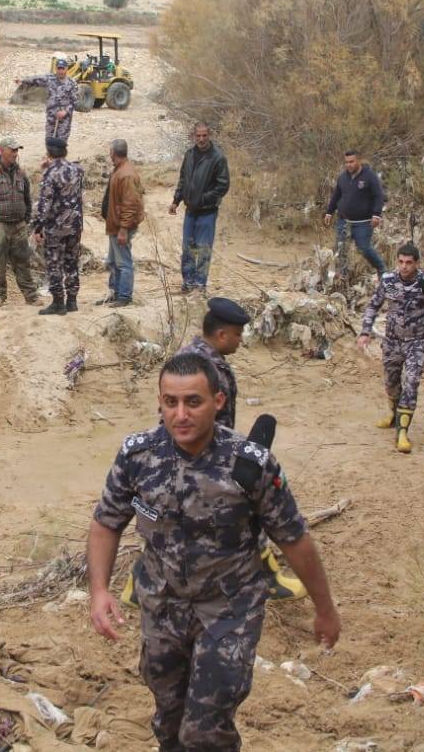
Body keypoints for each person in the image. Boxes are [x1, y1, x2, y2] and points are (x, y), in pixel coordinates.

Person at [87, 353, 341, 752]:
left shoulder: (248, 466)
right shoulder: (138, 457)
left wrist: (324, 608)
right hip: (162, 607)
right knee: (169, 722)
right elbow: (106, 523)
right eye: (170, 402)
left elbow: (294, 538)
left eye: (193, 402)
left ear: (218, 401)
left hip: (228, 610)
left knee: (205, 732)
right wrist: (99, 590)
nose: (181, 415)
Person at [119, 298, 306, 607]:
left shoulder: (187, 355)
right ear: (221, 335)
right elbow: (214, 426)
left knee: (170, 526)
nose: (240, 341)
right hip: (200, 459)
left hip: (171, 456)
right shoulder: (213, 371)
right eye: (237, 335)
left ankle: (136, 585)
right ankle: (268, 579)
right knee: (241, 516)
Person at [357, 242, 424, 453]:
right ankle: (393, 415)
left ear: (417, 263)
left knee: (411, 384)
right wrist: (365, 332)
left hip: (416, 342)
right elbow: (373, 305)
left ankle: (402, 432)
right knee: (391, 384)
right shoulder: (388, 280)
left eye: (409, 263)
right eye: (401, 262)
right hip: (392, 341)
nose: (404, 266)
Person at [0, 137, 39, 307]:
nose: (15, 153)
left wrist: (26, 218)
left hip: (19, 225)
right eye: (12, 150)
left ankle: (31, 296)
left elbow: (27, 198)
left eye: (17, 150)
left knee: (23, 262)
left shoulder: (21, 173)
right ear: (3, 151)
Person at [169, 123, 230, 293]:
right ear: (193, 136)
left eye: (204, 135)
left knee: (203, 249)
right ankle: (188, 282)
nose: (201, 139)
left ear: (209, 135)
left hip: (207, 212)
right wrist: (176, 200)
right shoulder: (189, 154)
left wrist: (203, 199)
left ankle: (200, 285)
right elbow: (183, 180)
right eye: (198, 135)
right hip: (190, 210)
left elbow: (223, 186)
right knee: (188, 248)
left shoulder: (217, 157)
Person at [32, 136, 84, 315]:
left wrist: (38, 227)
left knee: (54, 263)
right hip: (75, 225)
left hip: (57, 227)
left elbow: (44, 203)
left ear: (49, 152)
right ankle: (72, 301)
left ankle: (58, 302)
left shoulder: (50, 173)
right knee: (72, 262)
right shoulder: (76, 170)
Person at [323, 150, 386, 278]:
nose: (348, 165)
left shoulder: (369, 176)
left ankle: (382, 269)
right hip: (343, 221)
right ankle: (343, 277)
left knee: (364, 248)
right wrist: (329, 212)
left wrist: (376, 214)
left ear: (359, 161)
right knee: (341, 249)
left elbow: (378, 195)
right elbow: (336, 195)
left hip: (363, 222)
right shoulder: (342, 177)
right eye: (346, 162)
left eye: (351, 161)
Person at [98, 138, 144, 308]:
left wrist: (124, 229)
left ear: (113, 153)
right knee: (113, 261)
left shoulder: (126, 174)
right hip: (115, 224)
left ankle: (124, 296)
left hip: (120, 226)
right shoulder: (120, 170)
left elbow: (130, 204)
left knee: (123, 263)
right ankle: (115, 293)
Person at [16, 57, 79, 145]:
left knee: (61, 144)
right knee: (49, 142)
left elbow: (75, 101)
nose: (60, 71)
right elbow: (36, 79)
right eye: (59, 68)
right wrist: (23, 81)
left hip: (65, 120)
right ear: (56, 69)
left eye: (63, 68)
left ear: (66, 69)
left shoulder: (72, 83)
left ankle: (59, 153)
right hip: (51, 118)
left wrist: (65, 111)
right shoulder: (49, 79)